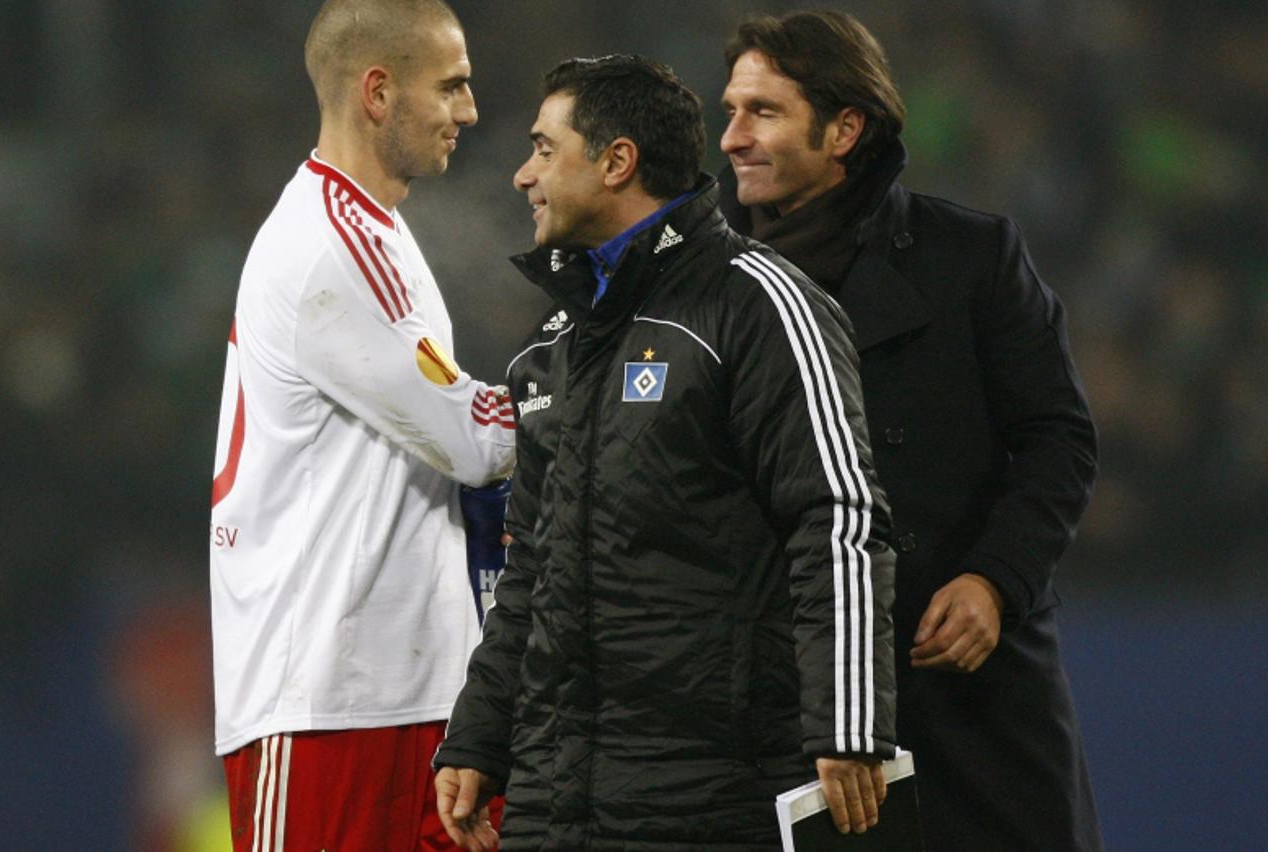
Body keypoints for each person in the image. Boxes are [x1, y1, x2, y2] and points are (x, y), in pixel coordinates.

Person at [431, 54, 897, 851]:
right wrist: (480, 736)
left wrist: (848, 722)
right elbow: (530, 570)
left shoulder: (760, 303)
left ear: (618, 162)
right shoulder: (548, 350)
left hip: (707, 793)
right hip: (555, 796)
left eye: (544, 149)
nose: (520, 176)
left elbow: (838, 518)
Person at [717, 10, 1103, 852]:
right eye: (731, 111)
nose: (732, 138)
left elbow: (1057, 439)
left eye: (763, 112)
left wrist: (994, 581)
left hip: (966, 683)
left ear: (845, 128)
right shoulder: (703, 283)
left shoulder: (971, 255)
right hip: (787, 698)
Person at [208, 1, 515, 849]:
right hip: (321, 706)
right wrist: (585, 398)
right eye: (451, 86)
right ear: (377, 91)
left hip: (413, 693)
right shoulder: (328, 243)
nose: (469, 111)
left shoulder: (374, 228)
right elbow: (474, 439)